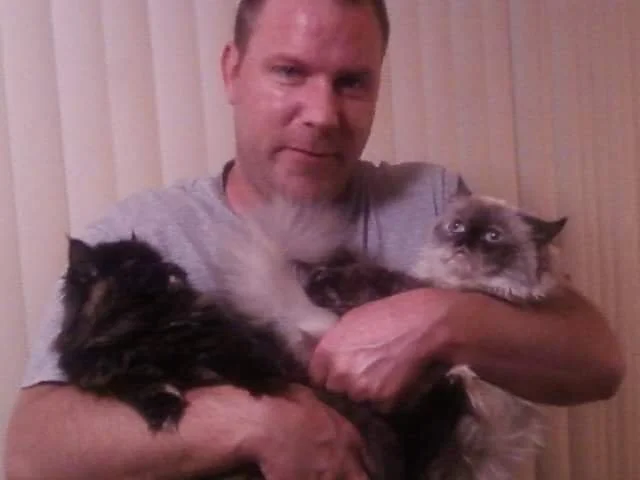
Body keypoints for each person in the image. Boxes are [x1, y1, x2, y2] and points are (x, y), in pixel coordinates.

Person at [4, 0, 625, 479]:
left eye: (351, 81)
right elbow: (31, 454)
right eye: (289, 72)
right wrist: (258, 421)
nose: (322, 114)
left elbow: (598, 363)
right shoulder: (145, 238)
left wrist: (443, 319)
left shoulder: (433, 204)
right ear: (232, 71)